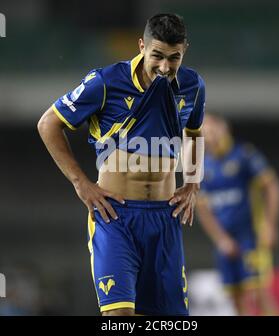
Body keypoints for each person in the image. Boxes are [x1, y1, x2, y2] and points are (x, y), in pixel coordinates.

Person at [37, 13, 205, 316]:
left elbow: (194, 133)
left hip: (164, 219)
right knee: (120, 316)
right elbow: (48, 123)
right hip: (116, 216)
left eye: (174, 58)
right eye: (157, 56)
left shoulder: (192, 86)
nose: (165, 67)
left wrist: (193, 182)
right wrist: (81, 183)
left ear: (184, 52)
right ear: (141, 46)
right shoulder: (106, 82)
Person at [195, 113, 279, 316]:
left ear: (223, 128)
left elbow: (272, 187)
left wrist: (270, 225)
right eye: (203, 132)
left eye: (211, 129)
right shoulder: (203, 166)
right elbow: (202, 208)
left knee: (258, 292)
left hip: (251, 236)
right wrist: (221, 239)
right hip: (227, 242)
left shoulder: (243, 155)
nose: (208, 135)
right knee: (235, 297)